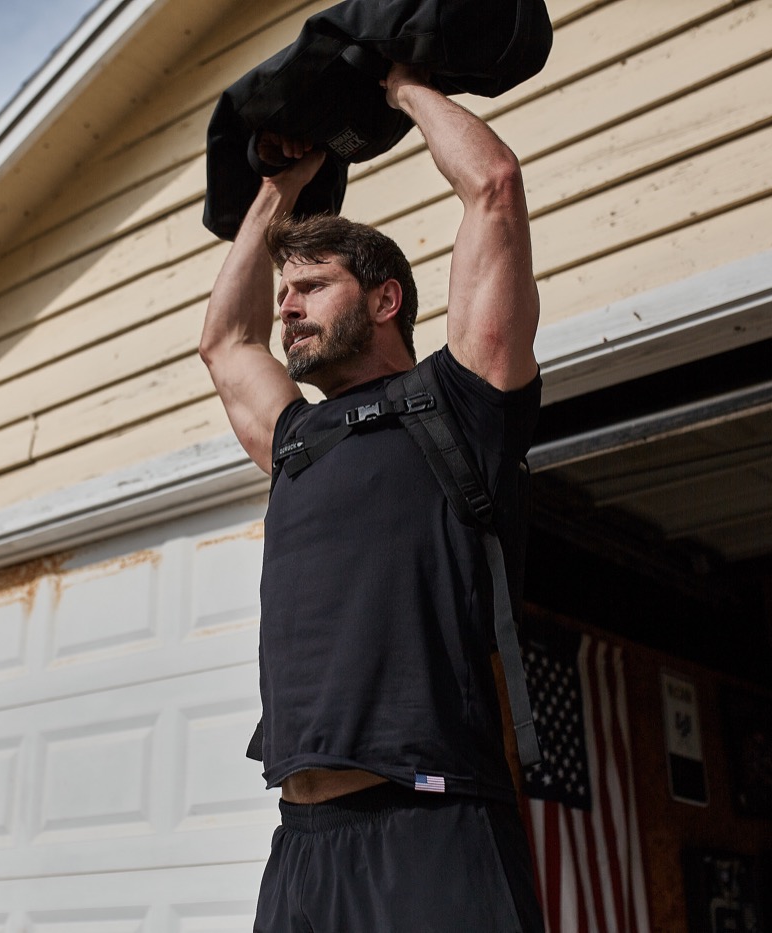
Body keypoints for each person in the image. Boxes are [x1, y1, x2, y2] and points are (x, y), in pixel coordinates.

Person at [199, 61, 544, 932]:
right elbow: (223, 341)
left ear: (385, 298)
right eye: (286, 294)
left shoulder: (459, 402)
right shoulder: (296, 440)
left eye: (312, 286)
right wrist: (282, 187)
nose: (288, 310)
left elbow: (493, 189)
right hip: (303, 840)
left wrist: (393, 83)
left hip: (433, 823)